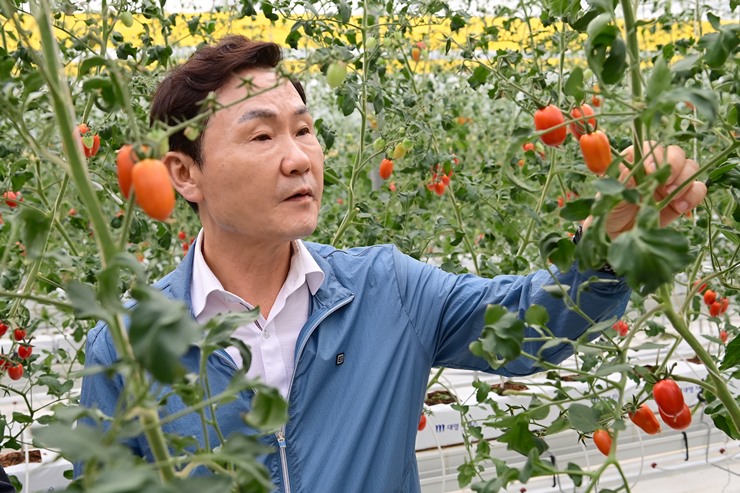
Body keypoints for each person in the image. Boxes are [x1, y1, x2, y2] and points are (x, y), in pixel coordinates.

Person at [76, 35, 707, 492]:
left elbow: (530, 325)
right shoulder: (128, 343)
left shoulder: (386, 288)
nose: (299, 158)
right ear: (184, 174)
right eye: (262, 136)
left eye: (305, 130)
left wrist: (606, 244)